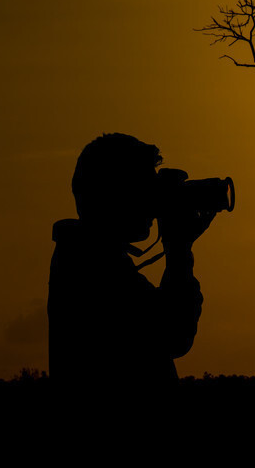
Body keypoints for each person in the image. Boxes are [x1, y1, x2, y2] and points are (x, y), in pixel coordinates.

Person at [47, 133, 215, 389]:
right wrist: (179, 248)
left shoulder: (88, 256)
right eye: (146, 189)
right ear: (118, 194)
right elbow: (174, 334)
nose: (153, 202)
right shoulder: (93, 266)